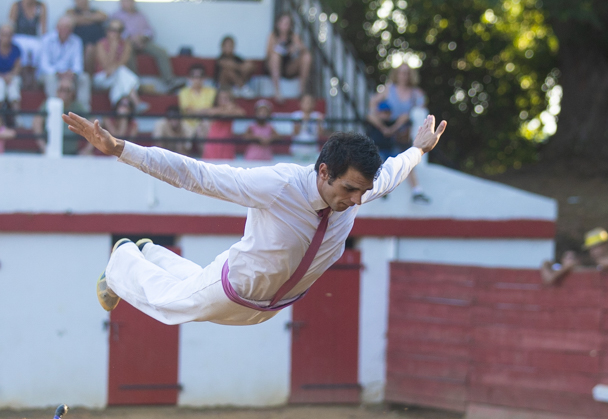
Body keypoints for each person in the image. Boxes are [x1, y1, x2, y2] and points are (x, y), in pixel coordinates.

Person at [65, 110, 446, 324]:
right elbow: (199, 175)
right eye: (349, 190)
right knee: (169, 307)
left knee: (187, 285)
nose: (357, 200)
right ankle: (122, 262)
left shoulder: (360, 188)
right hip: (232, 288)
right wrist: (119, 148)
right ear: (324, 172)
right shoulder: (280, 185)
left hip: (266, 308)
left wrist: (417, 149)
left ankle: (150, 252)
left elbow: (394, 171)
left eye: (363, 191)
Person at [366, 64, 429, 203]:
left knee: (407, 161)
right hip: (386, 133)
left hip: (402, 133)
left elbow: (420, 110)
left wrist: (394, 128)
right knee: (383, 160)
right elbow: (372, 104)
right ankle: (381, 189)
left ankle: (416, 190)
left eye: (406, 73)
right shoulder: (389, 90)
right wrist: (380, 117)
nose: (404, 76)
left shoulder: (415, 93)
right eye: (401, 73)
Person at [109, 0, 172, 89]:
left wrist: (143, 38)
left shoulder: (141, 15)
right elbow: (115, 33)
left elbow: (150, 31)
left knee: (161, 52)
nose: (127, 3)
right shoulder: (116, 15)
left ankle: (169, 80)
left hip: (143, 42)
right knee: (127, 52)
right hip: (126, 43)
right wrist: (131, 38)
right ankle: (136, 83)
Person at [37, 15, 88, 110]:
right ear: (57, 27)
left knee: (84, 78)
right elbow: (44, 65)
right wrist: (58, 73)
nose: (65, 30)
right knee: (50, 78)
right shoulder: (46, 40)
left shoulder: (77, 41)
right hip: (50, 74)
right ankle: (55, 109)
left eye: (68, 27)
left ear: (72, 29)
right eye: (62, 27)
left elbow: (78, 64)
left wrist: (72, 73)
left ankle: (84, 111)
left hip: (69, 75)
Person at [32, 74, 85, 155]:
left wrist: (86, 150)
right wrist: (43, 147)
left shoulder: (78, 107)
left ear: (72, 93)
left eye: (67, 90)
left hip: (72, 154)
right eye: (61, 90)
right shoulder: (48, 104)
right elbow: (36, 122)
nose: (63, 93)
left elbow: (93, 124)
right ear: (57, 91)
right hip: (50, 152)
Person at [93, 18, 138, 108]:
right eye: (112, 30)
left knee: (120, 76)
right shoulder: (101, 44)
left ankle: (118, 107)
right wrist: (113, 48)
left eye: (118, 30)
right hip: (102, 77)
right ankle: (135, 100)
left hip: (116, 75)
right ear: (107, 31)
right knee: (121, 74)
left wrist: (113, 69)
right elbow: (105, 65)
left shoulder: (126, 44)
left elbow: (123, 63)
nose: (115, 33)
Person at [265, 14, 309, 100]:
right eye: (283, 22)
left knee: (306, 57)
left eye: (288, 23)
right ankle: (277, 91)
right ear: (278, 24)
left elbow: (304, 49)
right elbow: (268, 53)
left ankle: (301, 91)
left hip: (287, 67)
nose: (286, 25)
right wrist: (278, 49)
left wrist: (296, 48)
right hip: (273, 66)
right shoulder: (273, 35)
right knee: (275, 56)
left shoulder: (293, 36)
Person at [199, 87, 240, 161]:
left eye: (226, 98)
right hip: (213, 143)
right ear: (217, 99)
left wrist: (227, 110)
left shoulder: (234, 110)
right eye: (221, 98)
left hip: (227, 144)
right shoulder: (214, 109)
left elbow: (241, 113)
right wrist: (226, 110)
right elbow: (208, 112)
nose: (224, 100)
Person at [64, 0, 104, 73]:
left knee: (92, 49)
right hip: (77, 45)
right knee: (89, 49)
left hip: (97, 44)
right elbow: (72, 19)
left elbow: (103, 17)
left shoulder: (96, 11)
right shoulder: (71, 11)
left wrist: (83, 19)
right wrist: (91, 19)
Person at [7, 0, 44, 68]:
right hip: (18, 37)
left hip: (34, 38)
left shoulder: (40, 6)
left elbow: (43, 28)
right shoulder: (16, 6)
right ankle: (21, 71)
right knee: (21, 49)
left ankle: (33, 73)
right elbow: (10, 26)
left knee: (38, 49)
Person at [176, 62, 212, 130]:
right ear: (189, 78)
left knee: (205, 124)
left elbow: (216, 109)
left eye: (200, 77)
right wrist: (205, 111)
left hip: (206, 124)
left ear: (205, 78)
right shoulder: (184, 92)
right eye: (194, 77)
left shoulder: (212, 92)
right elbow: (188, 111)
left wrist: (195, 111)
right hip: (187, 125)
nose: (197, 80)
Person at [289, 92, 323, 160]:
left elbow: (320, 133)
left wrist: (319, 122)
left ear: (313, 104)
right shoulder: (296, 115)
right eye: (305, 102)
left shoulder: (317, 115)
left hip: (312, 150)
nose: (307, 104)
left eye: (310, 102)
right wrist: (302, 120)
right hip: (297, 150)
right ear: (300, 103)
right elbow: (295, 132)